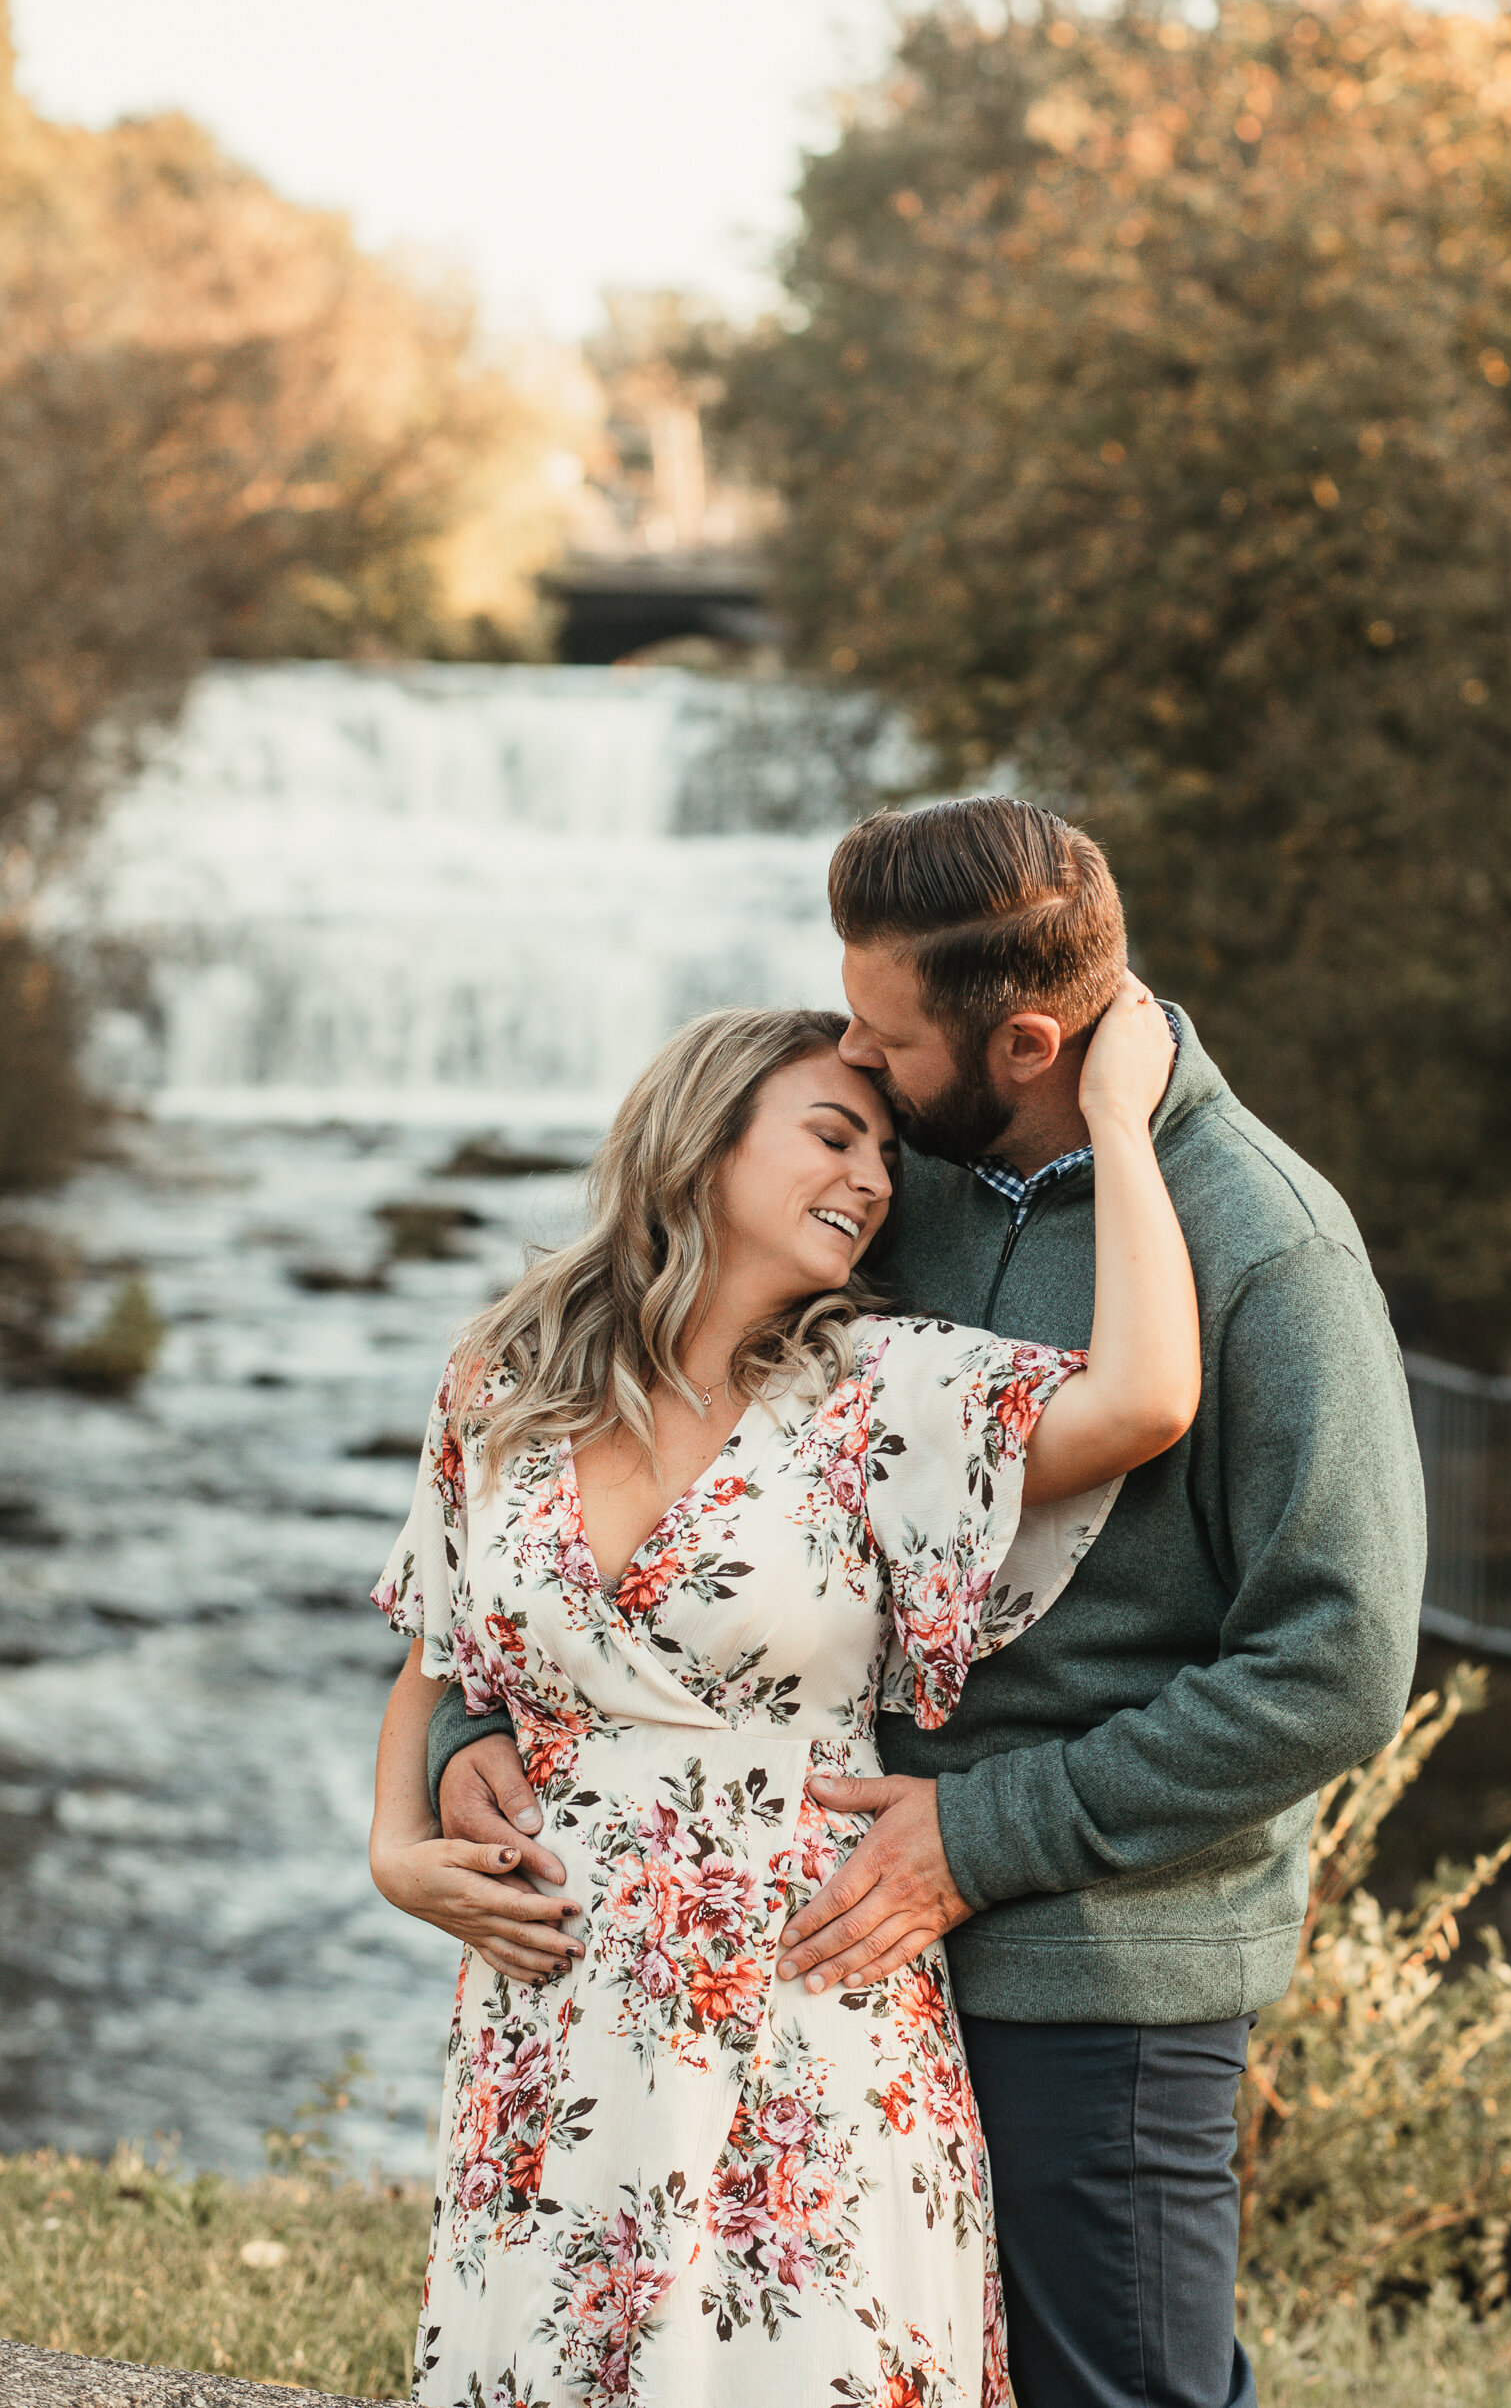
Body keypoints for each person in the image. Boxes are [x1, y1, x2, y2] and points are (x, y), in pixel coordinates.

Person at [429, 797, 1430, 2408]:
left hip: (1085, 1967)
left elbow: (1334, 1664)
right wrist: (483, 1721)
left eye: (886, 1039)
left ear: (1024, 1040)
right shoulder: (910, 1181)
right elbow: (694, 1449)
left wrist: (980, 1836)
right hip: (803, 1956)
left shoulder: (1265, 1248)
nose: (852, 1058)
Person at [369, 981, 1197, 2408]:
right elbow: (436, 1649)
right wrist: (395, 1852)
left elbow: (1140, 1398)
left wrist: (1119, 1117)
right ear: (701, 1145)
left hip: (802, 2004)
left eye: (884, 1153)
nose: (872, 1179)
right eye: (831, 1135)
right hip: (547, 2024)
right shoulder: (499, 1376)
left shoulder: (879, 1392)